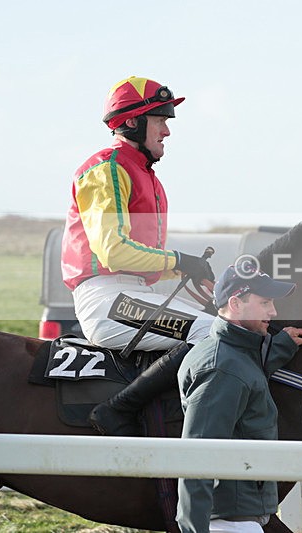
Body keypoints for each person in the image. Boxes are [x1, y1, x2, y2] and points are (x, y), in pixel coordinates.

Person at [61, 76, 216, 436]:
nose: (167, 131)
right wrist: (178, 261)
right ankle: (118, 409)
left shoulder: (147, 176)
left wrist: (191, 274)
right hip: (109, 301)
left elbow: (144, 261)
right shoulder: (107, 167)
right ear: (132, 122)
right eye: (160, 120)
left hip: (135, 295)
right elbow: (113, 252)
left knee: (223, 321)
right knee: (211, 333)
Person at [176, 264, 302, 533]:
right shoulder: (222, 368)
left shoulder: (235, 355)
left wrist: (281, 345)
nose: (273, 312)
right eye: (264, 302)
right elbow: (197, 458)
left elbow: (248, 374)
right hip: (229, 523)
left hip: (238, 517)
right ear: (236, 304)